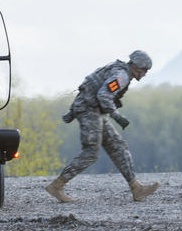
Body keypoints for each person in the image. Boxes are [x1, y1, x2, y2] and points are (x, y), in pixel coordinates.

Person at [45, 50, 160, 203]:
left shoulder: (118, 70)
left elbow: (91, 85)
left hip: (93, 110)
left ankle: (136, 189)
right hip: (90, 111)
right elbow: (103, 94)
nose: (145, 74)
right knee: (91, 152)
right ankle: (57, 186)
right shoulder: (122, 76)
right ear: (137, 68)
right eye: (145, 70)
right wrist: (117, 116)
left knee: (118, 146)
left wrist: (73, 110)